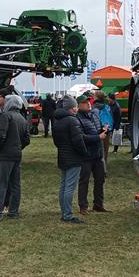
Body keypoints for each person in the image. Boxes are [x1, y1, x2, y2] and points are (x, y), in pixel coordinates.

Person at [0, 93, 30, 221]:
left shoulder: (6, 116)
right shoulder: (22, 118)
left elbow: (0, 135)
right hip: (17, 154)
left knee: (1, 184)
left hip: (5, 155)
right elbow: (27, 139)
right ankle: (13, 211)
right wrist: (18, 147)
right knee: (15, 185)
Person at [52, 95, 90, 223]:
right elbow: (78, 140)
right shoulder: (73, 121)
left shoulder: (57, 121)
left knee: (63, 186)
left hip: (62, 155)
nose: (76, 109)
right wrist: (84, 153)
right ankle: (67, 214)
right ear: (71, 108)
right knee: (69, 187)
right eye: (74, 107)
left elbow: (56, 141)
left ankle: (64, 211)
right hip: (73, 156)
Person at [76, 94, 109, 214]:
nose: (89, 103)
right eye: (85, 102)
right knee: (84, 181)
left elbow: (97, 130)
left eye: (89, 101)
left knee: (100, 180)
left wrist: (104, 129)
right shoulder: (77, 119)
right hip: (86, 155)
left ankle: (98, 204)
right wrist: (98, 137)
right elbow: (81, 137)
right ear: (79, 105)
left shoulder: (94, 115)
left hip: (98, 154)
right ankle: (83, 206)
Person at [93, 90, 114, 169]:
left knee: (97, 151)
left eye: (94, 95)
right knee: (105, 150)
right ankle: (104, 168)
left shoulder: (94, 107)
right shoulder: (107, 107)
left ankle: (98, 168)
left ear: (97, 97)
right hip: (107, 130)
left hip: (97, 131)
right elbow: (111, 118)